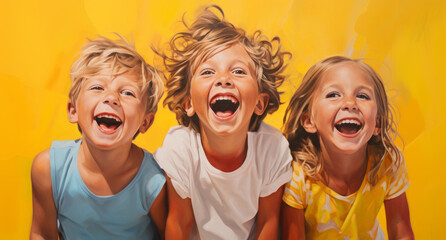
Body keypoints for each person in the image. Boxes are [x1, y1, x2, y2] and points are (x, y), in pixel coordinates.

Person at [154, 5, 292, 240]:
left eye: (238, 71)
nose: (223, 79)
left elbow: (269, 223)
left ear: (259, 102)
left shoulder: (273, 149)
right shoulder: (180, 148)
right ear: (189, 103)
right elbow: (179, 223)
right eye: (208, 72)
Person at [30, 35, 167, 239]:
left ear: (145, 122)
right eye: (97, 88)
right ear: (73, 110)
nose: (111, 98)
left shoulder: (154, 181)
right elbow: (42, 234)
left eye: (128, 93)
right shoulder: (49, 168)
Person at [281, 56, 414, 239]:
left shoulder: (388, 162)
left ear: (377, 123)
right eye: (333, 94)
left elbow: (401, 233)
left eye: (362, 96)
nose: (350, 104)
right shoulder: (297, 174)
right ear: (309, 121)